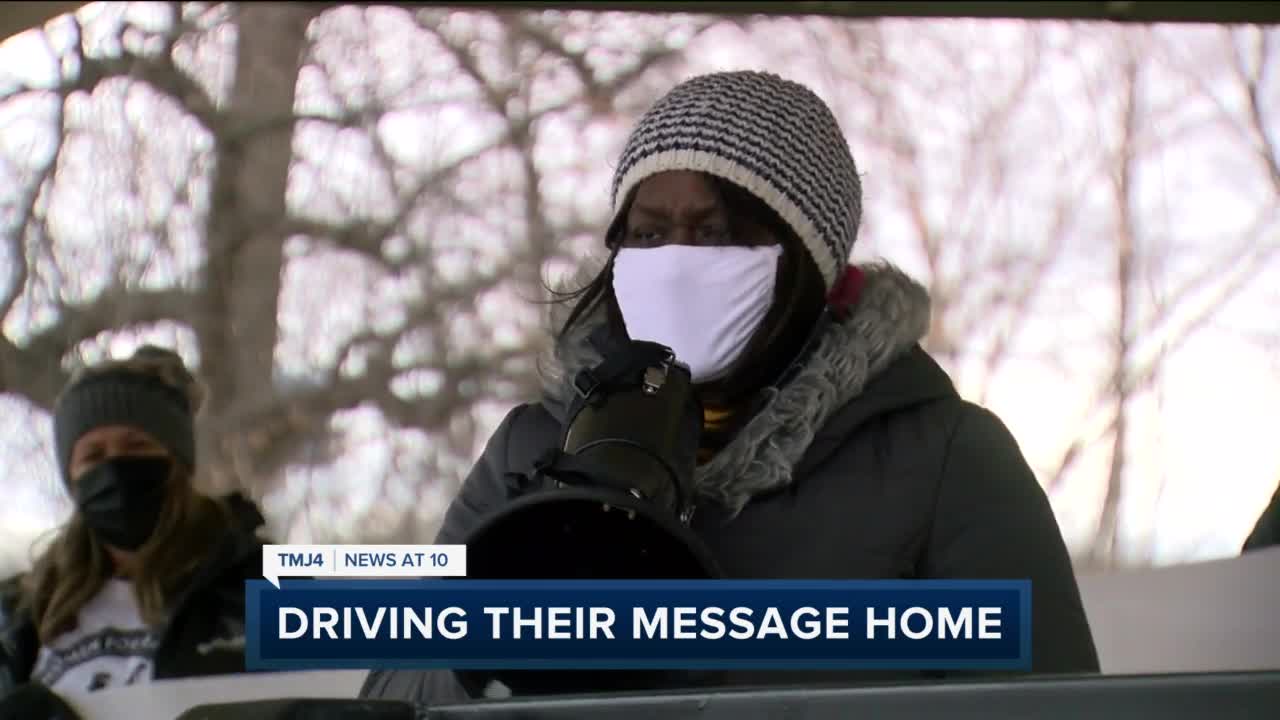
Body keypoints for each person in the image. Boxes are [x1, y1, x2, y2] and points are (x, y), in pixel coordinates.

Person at [362, 70, 1100, 705]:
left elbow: (1048, 704)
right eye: (647, 235)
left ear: (814, 266)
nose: (676, 262)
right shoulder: (533, 446)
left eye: (714, 233)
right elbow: (394, 690)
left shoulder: (942, 461)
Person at [0, 345, 270, 716]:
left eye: (136, 445)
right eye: (93, 456)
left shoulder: (266, 584)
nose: (115, 468)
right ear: (71, 477)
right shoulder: (16, 617)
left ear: (177, 459)